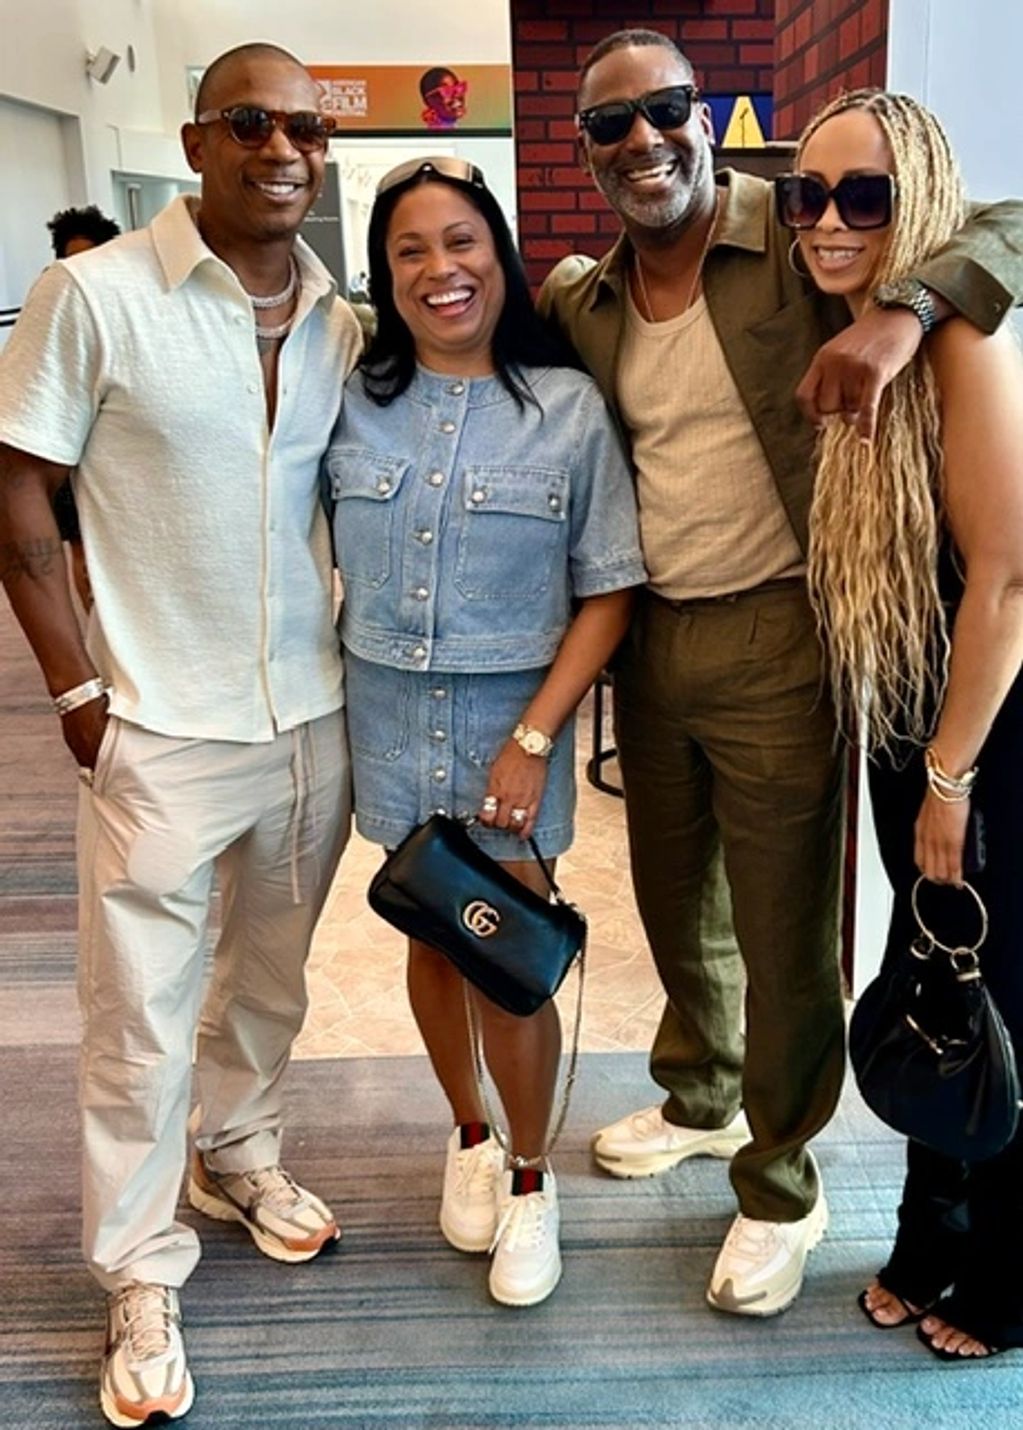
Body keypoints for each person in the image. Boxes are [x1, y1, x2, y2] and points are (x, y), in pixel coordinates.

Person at [538, 26, 1023, 1318]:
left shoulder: (800, 232)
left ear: (705, 118)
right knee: (670, 899)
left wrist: (906, 310)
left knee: (782, 927)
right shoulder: (585, 298)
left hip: (780, 630)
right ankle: (700, 1094)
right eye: (610, 123)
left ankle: (780, 1177)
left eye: (666, 109)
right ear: (586, 151)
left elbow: (999, 225)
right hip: (649, 635)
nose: (643, 139)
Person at [0, 43, 362, 1426]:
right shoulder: (93, 294)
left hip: (308, 713)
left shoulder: (337, 318)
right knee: (137, 1019)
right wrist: (73, 689)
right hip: (153, 722)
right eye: (252, 122)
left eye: (307, 130)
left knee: (269, 980)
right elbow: (19, 488)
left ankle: (239, 1146)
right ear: (198, 139)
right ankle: (140, 1269)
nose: (285, 149)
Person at [326, 155, 644, 1308]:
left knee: (505, 948)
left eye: (460, 241)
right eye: (409, 250)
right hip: (388, 713)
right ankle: (467, 1132)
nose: (439, 269)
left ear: (498, 255)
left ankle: (528, 1172)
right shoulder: (351, 397)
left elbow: (609, 587)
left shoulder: (566, 408)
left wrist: (538, 736)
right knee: (429, 926)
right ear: (384, 273)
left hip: (513, 726)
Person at [780, 88, 1023, 1360]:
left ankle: (1010, 1268)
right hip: (907, 719)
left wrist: (951, 777)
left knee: (1006, 990)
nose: (828, 219)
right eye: (808, 193)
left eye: (862, 195)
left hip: (984, 730)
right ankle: (933, 1230)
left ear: (916, 199)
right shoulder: (847, 329)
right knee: (939, 972)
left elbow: (1009, 582)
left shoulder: (960, 338)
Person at [46, 206, 123, 610]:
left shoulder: (123, 301)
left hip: (110, 451)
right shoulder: (53, 299)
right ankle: (94, 616)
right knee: (81, 548)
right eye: (72, 258)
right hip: (68, 450)